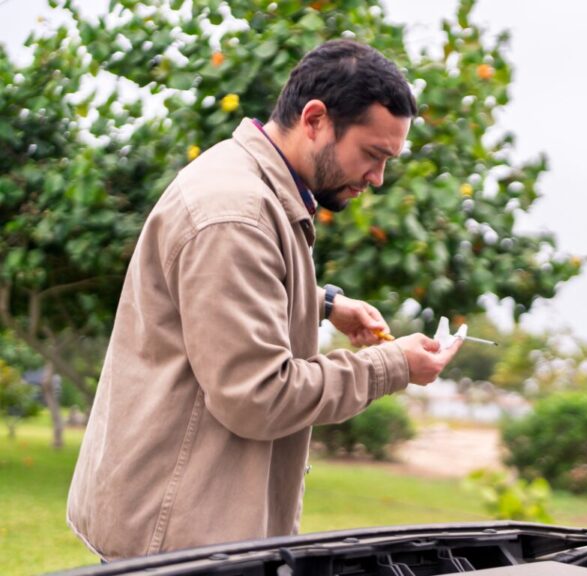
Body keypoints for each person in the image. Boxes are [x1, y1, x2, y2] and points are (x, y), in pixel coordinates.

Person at [67, 40, 462, 560]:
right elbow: (258, 396)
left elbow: (229, 287)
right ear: (315, 119)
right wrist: (394, 365)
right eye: (372, 154)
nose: (377, 178)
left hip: (180, 527)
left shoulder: (246, 183)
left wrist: (323, 305)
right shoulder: (237, 214)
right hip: (174, 543)